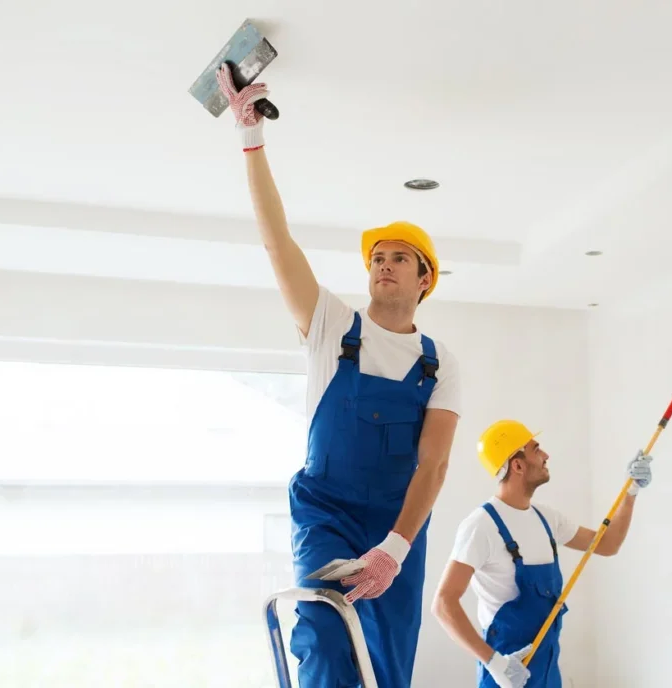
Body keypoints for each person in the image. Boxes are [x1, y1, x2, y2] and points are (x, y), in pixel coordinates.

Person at [214, 64, 462, 688]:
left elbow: (432, 466)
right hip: (326, 513)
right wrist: (251, 139)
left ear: (424, 278)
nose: (383, 265)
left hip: (397, 526)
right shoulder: (330, 326)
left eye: (399, 257)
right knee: (324, 641)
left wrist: (395, 549)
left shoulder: (440, 363)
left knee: (388, 667)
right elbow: (278, 243)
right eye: (377, 257)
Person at [431, 420, 653, 688]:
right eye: (536, 449)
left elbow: (608, 544)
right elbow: (443, 604)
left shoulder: (547, 519)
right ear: (518, 465)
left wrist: (631, 492)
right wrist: (495, 664)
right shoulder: (481, 526)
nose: (546, 455)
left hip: (547, 673)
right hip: (506, 675)